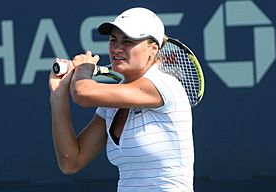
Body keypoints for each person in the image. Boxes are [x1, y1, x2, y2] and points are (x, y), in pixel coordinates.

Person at [49, 7, 194, 192]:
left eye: (128, 41)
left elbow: (82, 93)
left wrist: (85, 67)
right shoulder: (111, 106)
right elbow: (71, 161)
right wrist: (58, 95)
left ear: (153, 49)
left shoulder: (164, 84)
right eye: (113, 40)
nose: (117, 48)